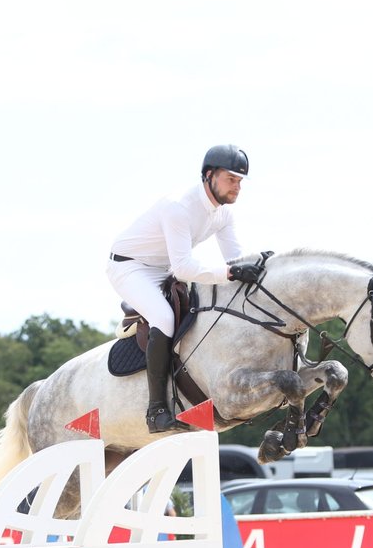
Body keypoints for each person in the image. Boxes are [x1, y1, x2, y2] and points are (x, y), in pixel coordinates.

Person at [107, 144, 268, 434]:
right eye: (231, 179)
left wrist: (257, 268)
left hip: (163, 267)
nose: (237, 187)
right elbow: (185, 268)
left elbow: (235, 260)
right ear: (209, 175)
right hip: (130, 267)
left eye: (240, 181)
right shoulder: (179, 207)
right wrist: (231, 272)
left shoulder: (223, 214)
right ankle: (156, 411)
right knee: (164, 318)